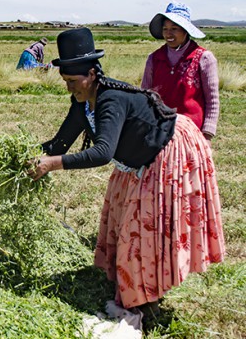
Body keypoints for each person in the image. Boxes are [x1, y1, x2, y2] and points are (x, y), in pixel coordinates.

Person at [28, 27, 224, 321]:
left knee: (142, 229)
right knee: (124, 222)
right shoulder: (82, 102)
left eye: (73, 81)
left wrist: (52, 163)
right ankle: (135, 283)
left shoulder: (110, 99)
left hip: (168, 150)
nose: (69, 88)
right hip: (137, 158)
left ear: (92, 74)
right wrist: (27, 153)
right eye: (65, 81)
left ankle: (146, 299)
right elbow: (60, 142)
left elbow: (103, 152)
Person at [142, 1, 219, 141]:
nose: (168, 33)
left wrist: (207, 134)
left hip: (192, 133)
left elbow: (212, 99)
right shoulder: (154, 59)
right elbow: (145, 95)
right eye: (165, 29)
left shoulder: (204, 58)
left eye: (174, 28)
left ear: (185, 30)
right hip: (159, 131)